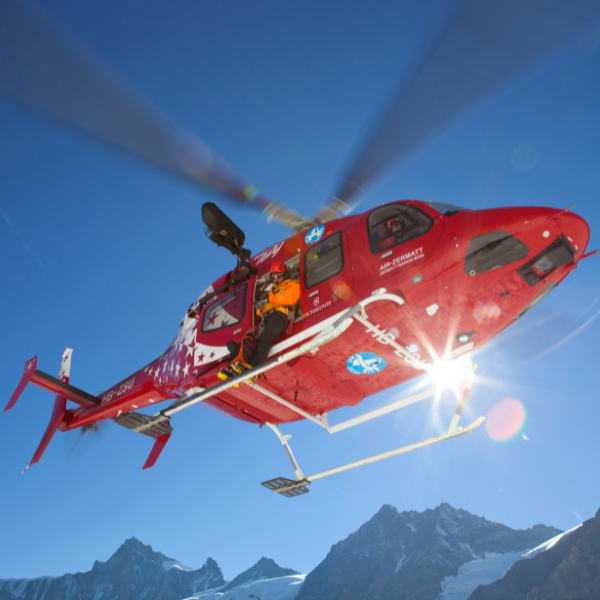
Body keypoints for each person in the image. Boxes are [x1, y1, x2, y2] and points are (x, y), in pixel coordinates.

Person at [218, 261, 300, 382]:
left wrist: (269, 299)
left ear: (285, 275)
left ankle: (255, 368)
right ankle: (236, 366)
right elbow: (261, 312)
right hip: (268, 318)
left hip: (282, 315)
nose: (276, 279)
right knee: (249, 338)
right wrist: (259, 305)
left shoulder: (292, 285)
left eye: (279, 276)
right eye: (273, 277)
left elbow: (292, 298)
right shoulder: (271, 291)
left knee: (267, 336)